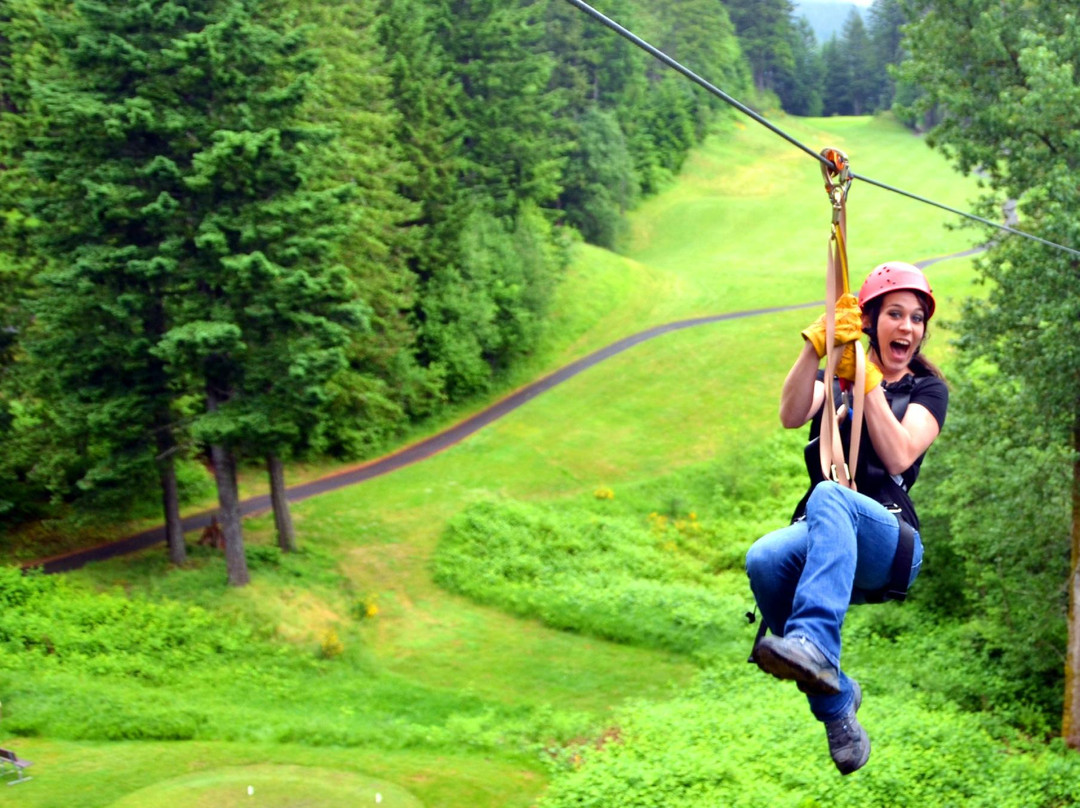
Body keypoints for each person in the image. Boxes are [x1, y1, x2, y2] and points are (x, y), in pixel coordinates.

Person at [744, 262, 948, 775]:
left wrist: (870, 384)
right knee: (764, 558)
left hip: (890, 539)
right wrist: (815, 350)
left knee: (830, 496)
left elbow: (901, 454)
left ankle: (812, 639)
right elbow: (791, 414)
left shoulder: (926, 391)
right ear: (872, 319)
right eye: (896, 315)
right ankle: (836, 703)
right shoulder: (834, 379)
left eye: (917, 318)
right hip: (827, 538)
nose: (908, 328)